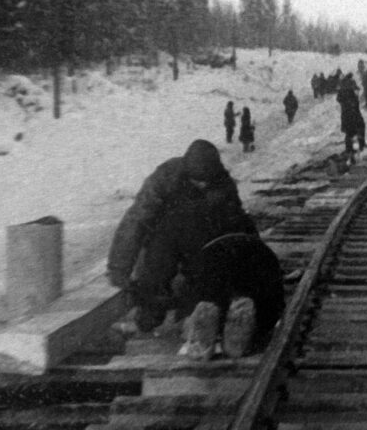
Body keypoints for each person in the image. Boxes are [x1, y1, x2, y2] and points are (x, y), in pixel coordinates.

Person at [106, 139, 259, 357]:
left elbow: (237, 224)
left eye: (207, 183)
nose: (203, 187)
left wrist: (254, 263)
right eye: (198, 182)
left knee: (210, 272)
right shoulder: (165, 178)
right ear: (187, 173)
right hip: (164, 241)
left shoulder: (223, 184)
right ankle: (149, 319)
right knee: (154, 272)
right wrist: (119, 268)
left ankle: (197, 322)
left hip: (202, 243)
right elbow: (136, 221)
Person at [336, 74, 366, 156]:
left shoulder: (343, 87)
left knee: (350, 132)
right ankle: (358, 147)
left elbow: (338, 99)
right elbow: (354, 100)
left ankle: (350, 149)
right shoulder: (351, 88)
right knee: (359, 128)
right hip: (352, 114)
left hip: (346, 114)